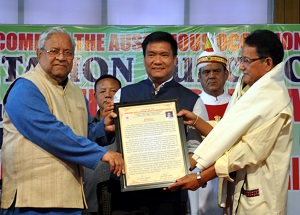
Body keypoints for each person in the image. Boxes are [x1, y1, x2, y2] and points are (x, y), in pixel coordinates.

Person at [166, 29, 293, 215]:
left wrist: (201, 177)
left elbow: (247, 150)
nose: (241, 67)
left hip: (261, 200)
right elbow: (230, 129)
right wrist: (196, 121)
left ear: (268, 63)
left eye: (247, 61)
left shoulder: (274, 100)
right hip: (235, 189)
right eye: (241, 60)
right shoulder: (249, 89)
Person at [1, 27, 125, 215]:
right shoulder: (25, 87)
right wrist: (103, 154)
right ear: (39, 53)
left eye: (68, 52)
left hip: (71, 199)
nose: (61, 57)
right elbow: (50, 133)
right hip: (32, 202)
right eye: (54, 51)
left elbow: (80, 136)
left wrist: (103, 130)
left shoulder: (76, 92)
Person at [111, 31, 208, 215]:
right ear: (144, 58)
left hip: (170, 195)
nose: (157, 61)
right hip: (127, 197)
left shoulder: (192, 100)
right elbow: (114, 141)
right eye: (151, 55)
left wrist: (178, 168)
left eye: (164, 55)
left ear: (174, 60)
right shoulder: (123, 95)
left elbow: (196, 146)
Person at [188, 33, 231, 215]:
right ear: (198, 76)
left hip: (229, 172)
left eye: (216, 71)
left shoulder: (237, 105)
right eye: (206, 72)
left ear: (226, 74)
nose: (211, 76)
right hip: (199, 175)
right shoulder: (191, 106)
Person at [83, 74, 122, 215]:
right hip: (90, 201)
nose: (108, 95)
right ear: (94, 96)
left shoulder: (128, 126)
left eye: (113, 91)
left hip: (123, 204)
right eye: (102, 91)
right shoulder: (84, 128)